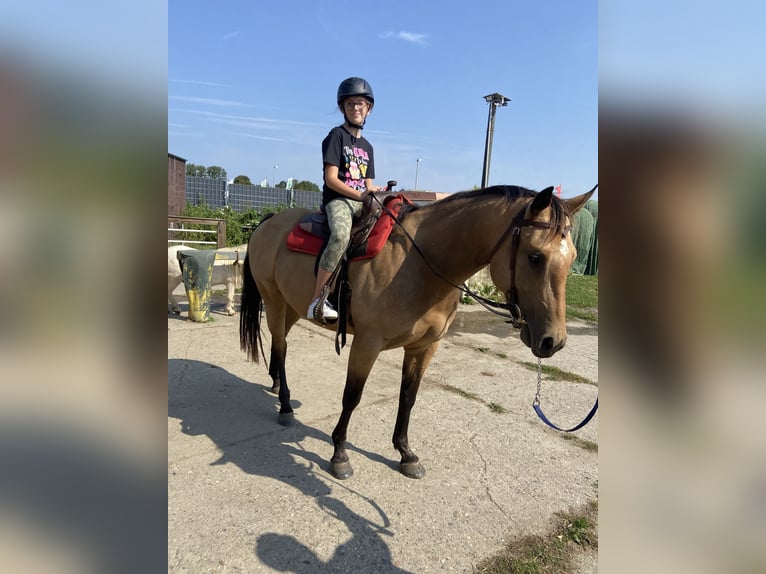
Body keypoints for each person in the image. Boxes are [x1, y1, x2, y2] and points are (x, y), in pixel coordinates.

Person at [308, 77, 383, 322]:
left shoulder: (368, 147)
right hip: (339, 200)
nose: (356, 108)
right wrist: (360, 194)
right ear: (343, 109)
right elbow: (331, 179)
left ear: (369, 109)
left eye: (361, 104)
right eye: (350, 104)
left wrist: (374, 191)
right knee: (340, 235)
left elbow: (368, 183)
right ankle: (318, 298)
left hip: (361, 200)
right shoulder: (335, 136)